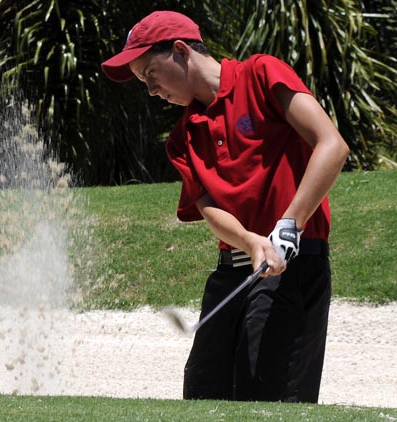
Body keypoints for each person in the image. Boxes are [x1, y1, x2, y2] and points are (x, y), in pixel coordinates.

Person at [101, 11, 350, 403]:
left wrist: (290, 223)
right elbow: (209, 208)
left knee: (265, 398)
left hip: (292, 266)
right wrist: (251, 242)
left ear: (181, 51)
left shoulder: (261, 76)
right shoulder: (182, 138)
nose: (150, 90)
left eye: (150, 74)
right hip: (232, 273)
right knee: (202, 395)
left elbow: (331, 145)